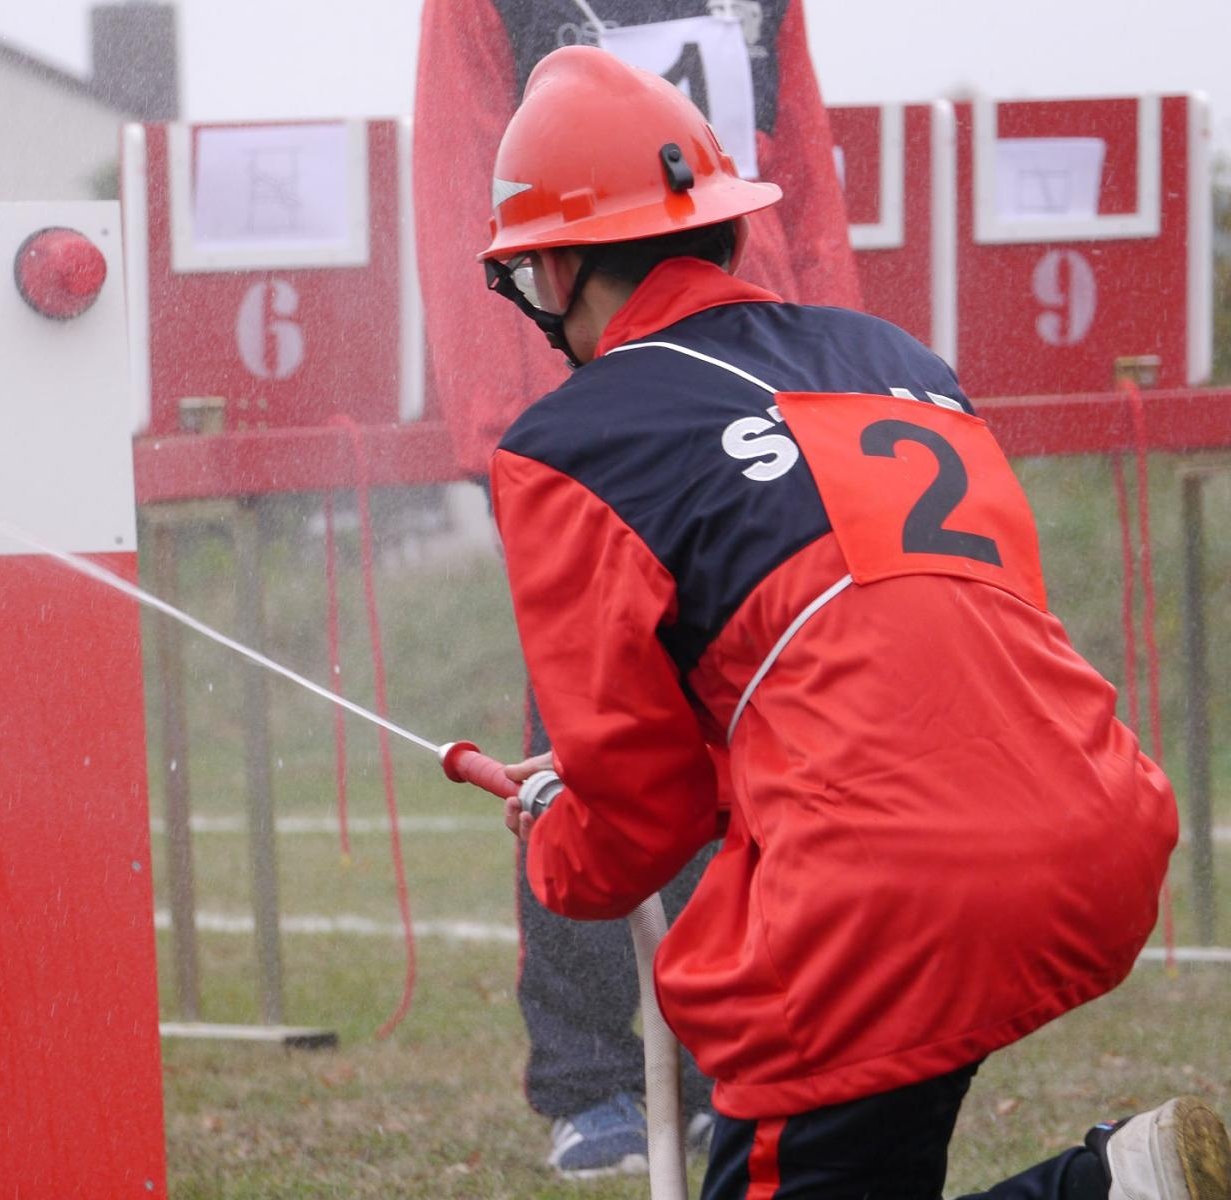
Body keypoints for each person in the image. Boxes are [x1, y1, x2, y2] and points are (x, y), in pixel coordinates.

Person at [481, 44, 1229, 1200]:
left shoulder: (572, 444)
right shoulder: (893, 357)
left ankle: (1114, 1192)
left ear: (561, 266)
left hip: (882, 901)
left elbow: (640, 812)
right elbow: (870, 646)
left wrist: (555, 837)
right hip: (1092, 829)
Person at [413, 0, 861, 1175]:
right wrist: (522, 425)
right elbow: (462, 173)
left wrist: (832, 351)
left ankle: (733, 1052)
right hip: (584, 367)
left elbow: (798, 166)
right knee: (585, 730)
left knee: (750, 715)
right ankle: (588, 1075)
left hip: (750, 356)